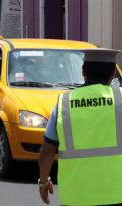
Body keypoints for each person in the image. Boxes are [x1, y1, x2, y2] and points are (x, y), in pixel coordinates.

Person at [38, 48, 122, 206]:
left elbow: (46, 152)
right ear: (113, 75)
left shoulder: (63, 104)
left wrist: (43, 182)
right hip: (117, 196)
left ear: (83, 71)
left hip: (75, 198)